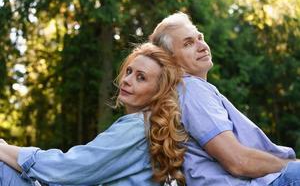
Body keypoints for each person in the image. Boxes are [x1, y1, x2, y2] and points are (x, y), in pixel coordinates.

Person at [0, 43, 187, 186]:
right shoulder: (146, 126)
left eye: (141, 77)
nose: (127, 80)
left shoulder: (137, 127)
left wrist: (5, 150)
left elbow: (70, 169)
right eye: (128, 71)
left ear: (158, 92)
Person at [149, 12, 300, 186]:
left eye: (200, 37)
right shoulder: (191, 90)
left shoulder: (185, 92)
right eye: (188, 43)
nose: (202, 46)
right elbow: (238, 161)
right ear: (169, 61)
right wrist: (290, 165)